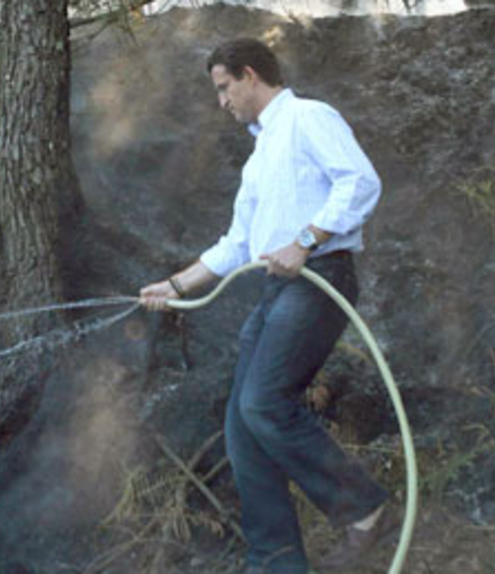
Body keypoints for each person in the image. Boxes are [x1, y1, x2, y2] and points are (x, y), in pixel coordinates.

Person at [140, 38, 397, 574]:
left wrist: (305, 238)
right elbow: (238, 244)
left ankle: (366, 510)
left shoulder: (309, 117)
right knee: (242, 424)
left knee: (262, 403)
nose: (222, 102)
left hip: (319, 279)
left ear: (250, 74)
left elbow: (361, 181)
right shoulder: (261, 155)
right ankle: (275, 561)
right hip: (278, 290)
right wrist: (175, 285)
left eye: (224, 88)